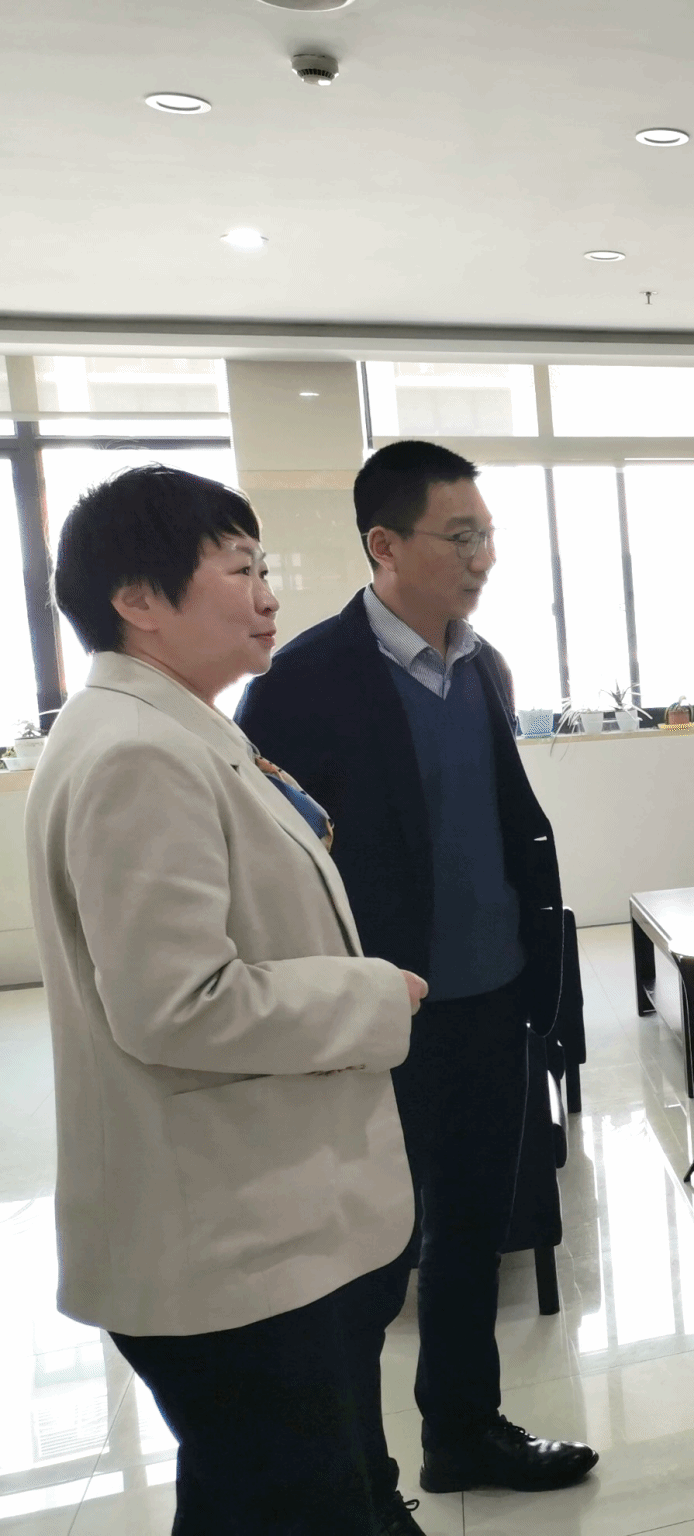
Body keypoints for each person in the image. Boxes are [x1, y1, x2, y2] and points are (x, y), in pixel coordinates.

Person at [25, 465, 425, 1533]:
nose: (268, 596)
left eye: (265, 569)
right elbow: (179, 1004)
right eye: (240, 571)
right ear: (138, 599)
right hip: (231, 1251)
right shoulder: (139, 753)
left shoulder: (175, 729)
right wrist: (374, 995)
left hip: (252, 1226)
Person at [238, 441, 598, 1497]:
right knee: (367, 1253)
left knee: (472, 1229)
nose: (483, 556)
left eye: (487, 535)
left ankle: (463, 1433)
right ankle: (360, 1481)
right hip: (375, 1015)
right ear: (385, 545)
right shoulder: (301, 683)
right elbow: (272, 866)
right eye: (461, 535)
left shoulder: (482, 665)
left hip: (492, 998)